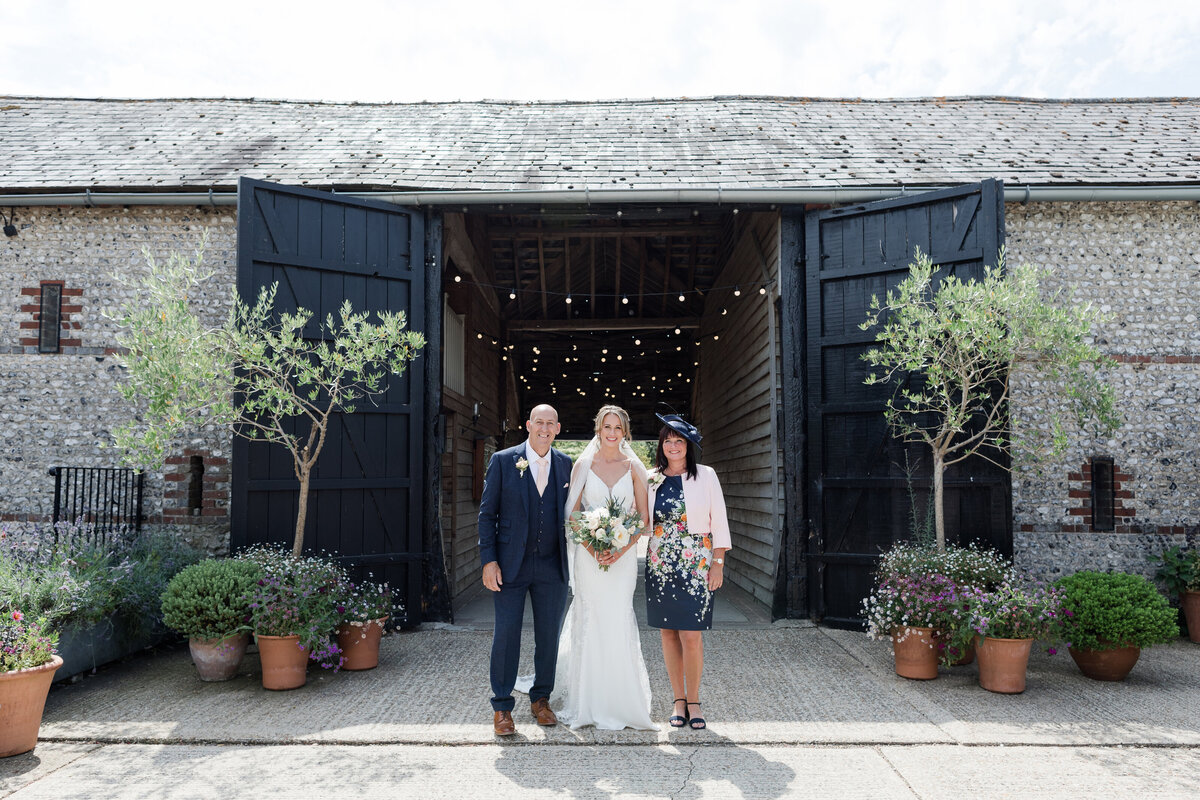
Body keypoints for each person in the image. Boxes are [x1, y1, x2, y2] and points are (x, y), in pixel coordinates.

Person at [553, 404, 657, 730]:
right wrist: (593, 547)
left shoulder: (634, 468)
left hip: (623, 561)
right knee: (592, 618)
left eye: (617, 428)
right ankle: (588, 703)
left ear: (625, 432)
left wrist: (621, 549)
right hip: (589, 557)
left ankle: (622, 702)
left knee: (618, 618)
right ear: (598, 430)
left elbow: (643, 518)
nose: (612, 433)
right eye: (606, 427)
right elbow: (572, 515)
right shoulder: (583, 464)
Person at [478, 404, 572, 736]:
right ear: (529, 425)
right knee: (506, 635)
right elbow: (487, 515)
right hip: (509, 567)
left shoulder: (565, 464)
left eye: (551, 423)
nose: (544, 428)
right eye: (539, 422)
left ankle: (541, 700)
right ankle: (502, 708)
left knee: (549, 637)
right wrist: (489, 561)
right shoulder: (504, 461)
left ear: (557, 428)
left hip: (552, 566)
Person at [645, 413, 731, 730]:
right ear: (661, 446)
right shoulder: (651, 477)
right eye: (667, 440)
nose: (672, 445)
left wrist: (717, 563)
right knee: (668, 633)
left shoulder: (706, 476)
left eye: (678, 440)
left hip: (696, 562)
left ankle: (693, 700)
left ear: (688, 445)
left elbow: (719, 520)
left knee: (691, 636)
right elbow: (640, 517)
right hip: (661, 563)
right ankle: (677, 699)